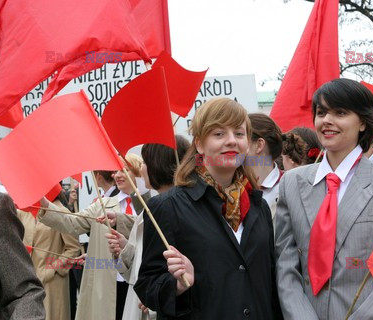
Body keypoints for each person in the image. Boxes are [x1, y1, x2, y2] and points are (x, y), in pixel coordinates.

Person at [275, 78, 373, 319]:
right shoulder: (291, 183)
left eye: (340, 112)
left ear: (363, 122)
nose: (327, 120)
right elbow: (286, 267)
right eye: (321, 112)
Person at [135, 97, 282, 319]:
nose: (231, 141)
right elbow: (148, 286)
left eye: (239, 134)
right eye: (219, 134)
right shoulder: (167, 207)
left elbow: (270, 283)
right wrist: (177, 284)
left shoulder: (258, 206)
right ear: (200, 144)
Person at [38, 153, 148, 320]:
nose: (117, 175)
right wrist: (46, 205)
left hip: (141, 283)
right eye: (116, 171)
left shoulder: (150, 206)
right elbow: (72, 222)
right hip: (110, 285)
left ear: (137, 173)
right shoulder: (102, 205)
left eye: (124, 170)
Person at [104, 136, 190, 320]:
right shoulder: (150, 210)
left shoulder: (175, 209)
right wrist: (125, 247)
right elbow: (143, 266)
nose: (141, 169)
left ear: (158, 164)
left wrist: (160, 293)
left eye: (144, 162)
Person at [17, 188, 80, 320]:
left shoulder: (61, 212)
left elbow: (73, 249)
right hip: (28, 280)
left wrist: (51, 270)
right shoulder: (27, 211)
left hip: (53, 283)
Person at [0, 190, 46, 319]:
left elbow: (23, 292)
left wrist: (54, 268)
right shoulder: (23, 214)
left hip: (46, 269)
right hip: (33, 264)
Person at [247, 113, 283, 221]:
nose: (233, 142)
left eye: (239, 135)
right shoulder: (231, 186)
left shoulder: (289, 186)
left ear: (259, 145)